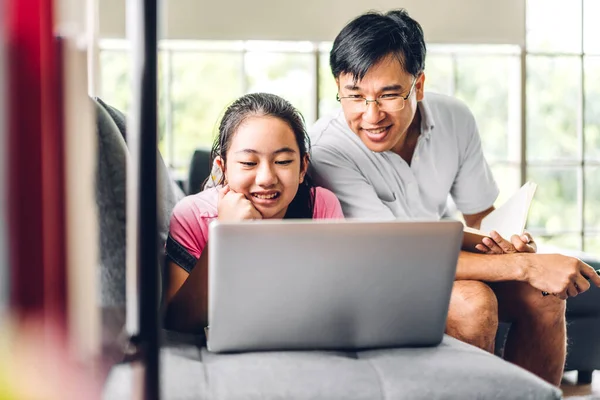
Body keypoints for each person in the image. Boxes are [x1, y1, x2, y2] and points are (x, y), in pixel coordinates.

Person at [308, 9, 600, 386]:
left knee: (544, 294)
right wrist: (525, 267)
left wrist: (509, 245)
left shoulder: (454, 118)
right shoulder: (328, 149)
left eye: (389, 95)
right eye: (354, 96)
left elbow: (480, 216)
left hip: (439, 266)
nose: (371, 114)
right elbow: (397, 252)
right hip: (379, 280)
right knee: (474, 304)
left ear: (419, 84)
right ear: (339, 89)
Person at [164, 92, 344, 333]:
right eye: (249, 163)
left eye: (282, 162)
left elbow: (336, 302)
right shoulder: (192, 216)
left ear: (302, 167)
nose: (267, 178)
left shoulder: (321, 205)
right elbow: (177, 321)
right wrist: (225, 235)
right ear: (223, 168)